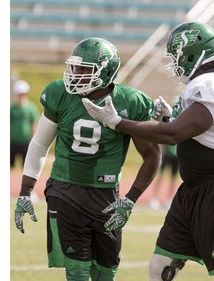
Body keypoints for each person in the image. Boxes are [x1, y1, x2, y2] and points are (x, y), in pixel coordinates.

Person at [82, 22, 214, 281]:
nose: (175, 62)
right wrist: (170, 120)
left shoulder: (211, 83)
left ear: (193, 52)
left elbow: (174, 135)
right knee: (161, 266)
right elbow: (188, 131)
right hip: (193, 189)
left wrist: (117, 122)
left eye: (177, 54)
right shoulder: (212, 81)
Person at [13, 37, 162, 281]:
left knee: (105, 274)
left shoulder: (130, 101)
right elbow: (40, 143)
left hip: (106, 196)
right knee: (77, 273)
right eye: (74, 67)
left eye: (84, 69)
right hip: (65, 191)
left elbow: (152, 154)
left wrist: (131, 199)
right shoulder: (59, 93)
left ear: (106, 72)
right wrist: (25, 191)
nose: (75, 74)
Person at [10, 79, 39, 168]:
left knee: (26, 167)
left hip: (26, 142)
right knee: (11, 166)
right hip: (13, 141)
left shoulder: (31, 108)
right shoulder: (11, 109)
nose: (20, 96)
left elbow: (34, 124)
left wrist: (32, 140)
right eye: (19, 94)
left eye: (22, 94)